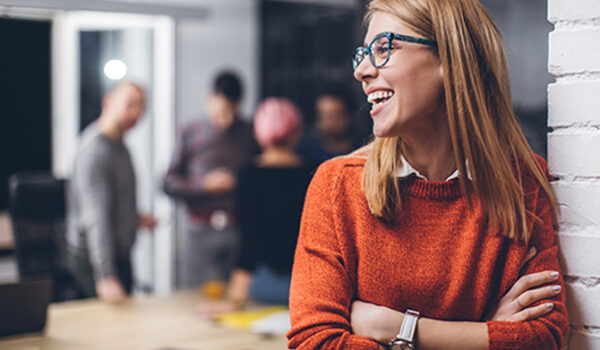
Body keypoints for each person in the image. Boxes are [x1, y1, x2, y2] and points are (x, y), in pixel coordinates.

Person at [287, 1, 569, 349]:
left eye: (383, 48)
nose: (361, 70)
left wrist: (395, 327)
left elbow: (545, 338)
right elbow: (314, 343)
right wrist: (484, 332)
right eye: (363, 53)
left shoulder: (523, 184)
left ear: (450, 60)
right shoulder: (336, 187)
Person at [198, 97, 315, 316]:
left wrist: (234, 300)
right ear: (296, 131)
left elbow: (248, 242)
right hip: (308, 286)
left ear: (259, 132)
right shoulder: (314, 172)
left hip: (265, 286)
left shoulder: (248, 175)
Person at [163, 71, 259, 288]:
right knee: (194, 297)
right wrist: (204, 185)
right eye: (222, 110)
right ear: (210, 98)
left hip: (238, 230)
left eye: (233, 110)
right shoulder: (189, 131)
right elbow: (168, 182)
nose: (227, 119)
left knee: (238, 300)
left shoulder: (249, 132)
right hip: (199, 230)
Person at [66, 82, 157, 303]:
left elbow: (111, 204)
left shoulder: (121, 147)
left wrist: (132, 219)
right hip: (94, 259)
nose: (137, 113)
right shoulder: (95, 152)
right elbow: (96, 217)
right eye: (131, 105)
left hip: (118, 253)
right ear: (108, 102)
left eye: (142, 107)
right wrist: (105, 275)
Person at [297, 88, 363, 164]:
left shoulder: (361, 154)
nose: (328, 122)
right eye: (322, 116)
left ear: (351, 116)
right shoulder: (306, 156)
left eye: (334, 116)